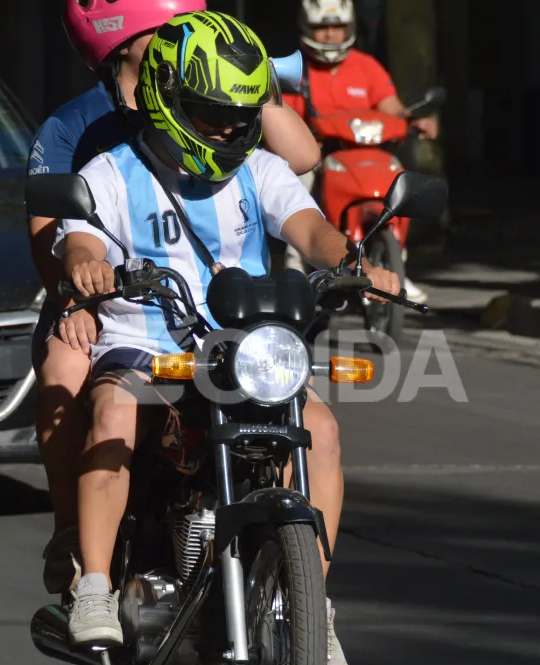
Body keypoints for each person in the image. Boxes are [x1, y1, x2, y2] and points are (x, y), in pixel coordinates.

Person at [53, 10, 399, 665]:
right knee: (113, 414)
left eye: (238, 113)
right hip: (144, 348)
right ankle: (93, 583)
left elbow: (311, 228)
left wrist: (351, 262)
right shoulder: (109, 172)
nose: (225, 127)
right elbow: (80, 239)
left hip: (244, 351)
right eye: (210, 112)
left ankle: (312, 607)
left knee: (320, 429)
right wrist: (88, 264)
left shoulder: (261, 170)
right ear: (167, 98)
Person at [29, 0, 322, 605]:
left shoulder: (225, 103)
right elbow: (53, 229)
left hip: (223, 319)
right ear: (119, 36)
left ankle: (303, 591)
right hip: (109, 303)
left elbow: (300, 160)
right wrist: (78, 293)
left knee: (311, 417)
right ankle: (74, 536)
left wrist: (249, 81)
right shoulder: (77, 127)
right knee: (65, 369)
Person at [283, 0, 437, 304]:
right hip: (320, 157)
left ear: (349, 28)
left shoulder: (366, 66)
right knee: (297, 193)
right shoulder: (296, 69)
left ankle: (397, 268)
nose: (329, 34)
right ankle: (295, 274)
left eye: (336, 26)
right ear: (307, 28)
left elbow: (391, 107)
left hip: (366, 154)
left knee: (400, 186)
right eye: (321, 27)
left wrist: (414, 120)